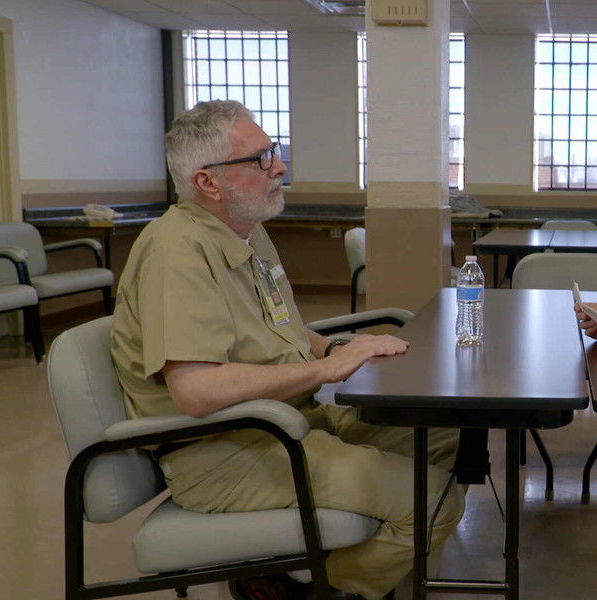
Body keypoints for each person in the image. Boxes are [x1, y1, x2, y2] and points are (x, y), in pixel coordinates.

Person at [110, 100, 464, 600]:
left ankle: (310, 565)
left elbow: (283, 329)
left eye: (273, 151)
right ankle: (308, 585)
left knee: (438, 430)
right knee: (435, 501)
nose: (278, 166)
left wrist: (339, 348)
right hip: (226, 450)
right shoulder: (176, 253)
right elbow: (196, 390)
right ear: (208, 182)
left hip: (288, 420)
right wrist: (327, 371)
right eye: (260, 159)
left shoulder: (247, 233)